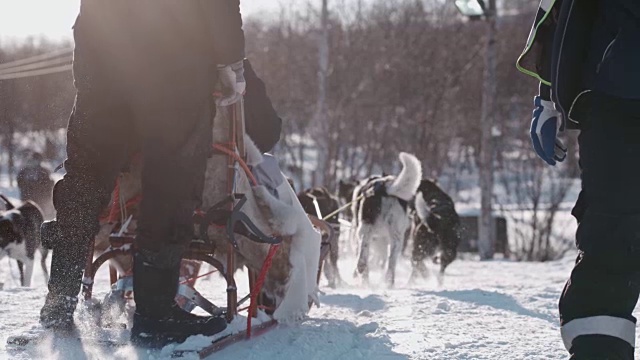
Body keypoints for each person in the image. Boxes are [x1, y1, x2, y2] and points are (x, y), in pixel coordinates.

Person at [39, 0, 246, 348]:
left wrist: (88, 70)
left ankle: (59, 301)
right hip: (175, 66)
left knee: (85, 181)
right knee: (172, 183)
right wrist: (230, 59)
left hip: (103, 59)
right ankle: (155, 313)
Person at [517, 1, 640, 359]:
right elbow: (561, 7)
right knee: (612, 236)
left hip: (617, 89)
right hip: (620, 92)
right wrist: (547, 94)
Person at [17, 152, 55, 219]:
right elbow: (49, 185)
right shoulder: (42, 171)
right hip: (36, 199)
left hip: (33, 199)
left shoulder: (26, 170)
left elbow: (49, 184)